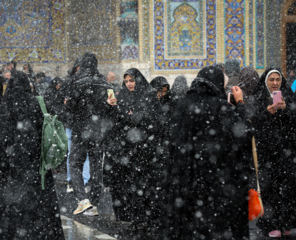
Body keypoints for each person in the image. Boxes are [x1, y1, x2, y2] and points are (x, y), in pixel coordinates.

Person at [0, 71, 65, 239]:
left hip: (10, 174)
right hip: (37, 172)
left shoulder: (5, 107)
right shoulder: (39, 104)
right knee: (40, 216)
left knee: (13, 220)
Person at [163, 66, 251, 239]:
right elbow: (243, 134)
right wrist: (240, 104)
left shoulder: (182, 105)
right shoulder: (220, 107)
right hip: (215, 181)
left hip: (185, 181)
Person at [106, 68, 162, 234]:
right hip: (128, 150)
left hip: (145, 149)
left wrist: (132, 117)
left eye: (132, 80)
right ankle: (137, 218)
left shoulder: (149, 95)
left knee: (146, 185)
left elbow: (154, 120)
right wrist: (113, 108)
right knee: (131, 185)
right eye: (127, 81)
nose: (129, 84)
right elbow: (117, 120)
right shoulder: (122, 96)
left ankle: (149, 218)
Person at [251, 68, 296, 238]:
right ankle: (272, 224)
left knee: (287, 188)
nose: (274, 83)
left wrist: (286, 109)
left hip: (287, 154)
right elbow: (252, 124)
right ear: (266, 82)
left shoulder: (289, 97)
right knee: (270, 188)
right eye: (271, 80)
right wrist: (266, 112)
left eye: (277, 79)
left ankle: (286, 222)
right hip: (267, 154)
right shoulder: (258, 99)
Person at [66, 52, 112, 216]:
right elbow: (109, 107)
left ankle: (83, 199)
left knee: (75, 163)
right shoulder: (103, 83)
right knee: (95, 166)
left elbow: (70, 106)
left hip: (81, 129)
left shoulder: (77, 83)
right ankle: (94, 202)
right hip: (98, 130)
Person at [51, 58, 91, 194]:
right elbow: (58, 103)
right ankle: (74, 181)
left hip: (80, 124)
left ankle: (81, 181)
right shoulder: (72, 83)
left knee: (79, 154)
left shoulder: (75, 83)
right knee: (74, 154)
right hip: (74, 124)